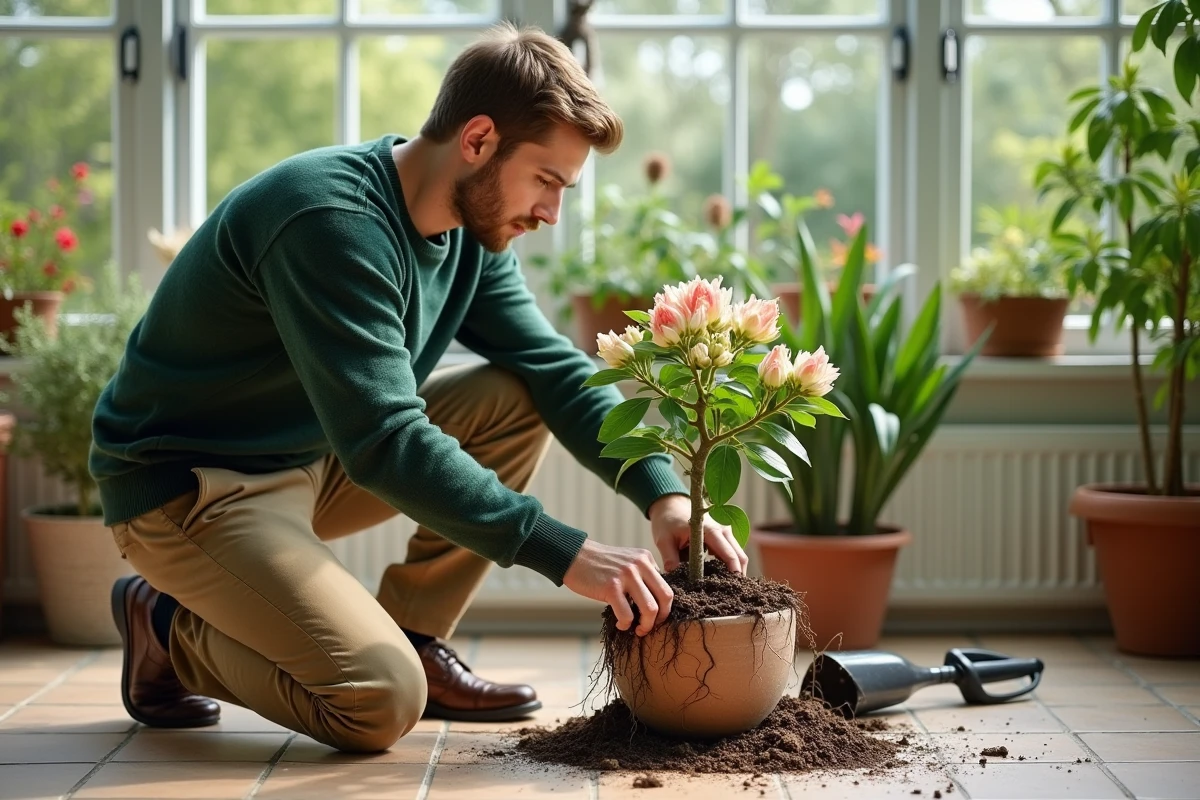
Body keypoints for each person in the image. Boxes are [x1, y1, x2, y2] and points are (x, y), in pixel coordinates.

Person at [89, 22, 749, 754]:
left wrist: (665, 493)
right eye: (547, 181)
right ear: (477, 141)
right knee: (376, 701)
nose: (551, 213)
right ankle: (163, 626)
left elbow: (555, 371)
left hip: (312, 454)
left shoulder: (474, 230)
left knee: (516, 393)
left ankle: (415, 634)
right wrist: (564, 550)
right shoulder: (329, 219)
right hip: (194, 487)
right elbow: (383, 440)